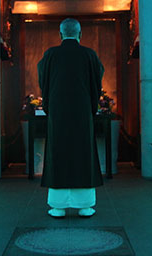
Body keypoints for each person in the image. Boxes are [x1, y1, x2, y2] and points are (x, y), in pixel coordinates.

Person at [37, 18, 104, 218]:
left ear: (60, 34)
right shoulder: (89, 55)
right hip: (82, 113)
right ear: (79, 34)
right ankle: (85, 205)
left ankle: (57, 206)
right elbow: (96, 83)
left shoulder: (50, 55)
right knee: (82, 155)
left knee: (59, 154)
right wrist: (91, 107)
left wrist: (51, 106)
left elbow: (43, 82)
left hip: (58, 113)